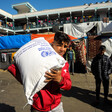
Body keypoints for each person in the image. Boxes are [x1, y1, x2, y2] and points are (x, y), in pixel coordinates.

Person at [8, 31, 72, 112]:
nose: (62, 49)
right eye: (59, 45)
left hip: (56, 106)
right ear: (53, 44)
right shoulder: (39, 59)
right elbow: (26, 78)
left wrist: (60, 79)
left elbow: (68, 86)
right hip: (38, 107)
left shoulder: (63, 64)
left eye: (65, 46)